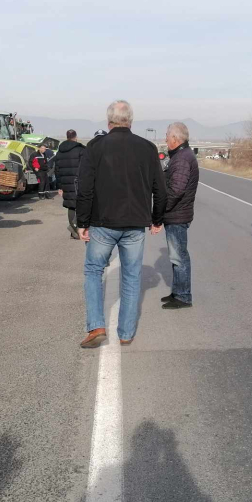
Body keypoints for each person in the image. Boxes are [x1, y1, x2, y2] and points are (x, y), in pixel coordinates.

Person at [76, 100, 166, 348]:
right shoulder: (147, 148)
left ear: (109, 122)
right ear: (131, 121)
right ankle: (126, 333)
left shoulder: (95, 147)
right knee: (132, 276)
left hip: (102, 223)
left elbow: (84, 188)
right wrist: (157, 219)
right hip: (135, 224)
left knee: (94, 271)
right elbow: (160, 188)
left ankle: (96, 327)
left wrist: (81, 222)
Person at [160, 122, 198, 309]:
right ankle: (178, 292)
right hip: (176, 214)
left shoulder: (182, 158)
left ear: (175, 138)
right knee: (176, 256)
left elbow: (176, 190)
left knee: (179, 257)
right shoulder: (180, 155)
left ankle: (183, 296)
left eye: (167, 135)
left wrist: (160, 211)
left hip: (177, 214)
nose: (165, 138)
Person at [54, 129, 86, 239]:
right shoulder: (81, 150)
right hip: (79, 182)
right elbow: (85, 168)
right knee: (82, 205)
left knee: (71, 206)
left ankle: (74, 231)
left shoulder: (59, 152)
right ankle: (79, 229)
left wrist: (59, 186)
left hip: (65, 183)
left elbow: (56, 170)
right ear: (76, 137)